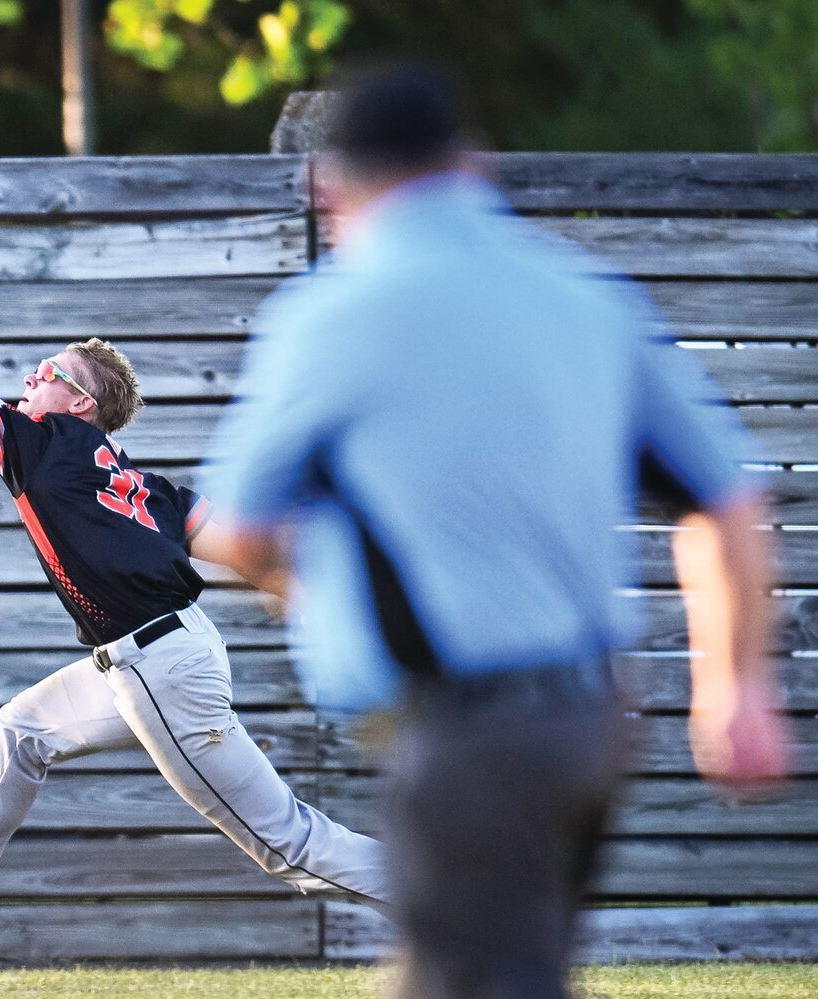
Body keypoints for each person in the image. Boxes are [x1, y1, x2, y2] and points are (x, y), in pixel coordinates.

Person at [201, 62, 791, 998]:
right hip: (592, 719)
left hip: (469, 732)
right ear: (474, 165)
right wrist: (737, 688)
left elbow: (234, 530)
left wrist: (315, 591)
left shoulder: (332, 315)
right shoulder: (587, 297)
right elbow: (725, 501)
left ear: (331, 188)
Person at [0, 282, 390, 958]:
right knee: (21, 729)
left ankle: (485, 901)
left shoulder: (45, 442)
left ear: (81, 404)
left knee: (288, 843)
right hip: (160, 654)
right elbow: (246, 550)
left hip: (159, 666)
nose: (32, 376)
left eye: (50, 372)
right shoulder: (138, 483)